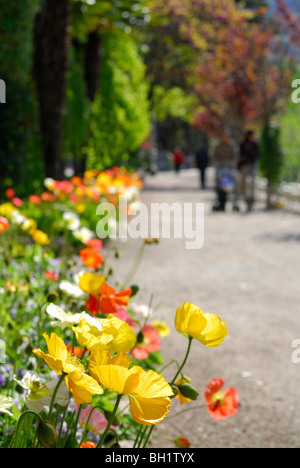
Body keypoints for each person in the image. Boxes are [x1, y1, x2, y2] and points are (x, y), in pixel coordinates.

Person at [212, 133, 238, 211]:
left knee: (233, 185)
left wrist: (231, 163)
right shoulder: (217, 146)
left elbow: (235, 157)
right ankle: (220, 203)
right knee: (219, 185)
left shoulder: (232, 146)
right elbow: (214, 157)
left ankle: (235, 202)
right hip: (220, 168)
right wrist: (217, 163)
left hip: (230, 168)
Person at [238, 130, 260, 212]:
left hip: (253, 165)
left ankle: (252, 199)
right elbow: (240, 155)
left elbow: (258, 155)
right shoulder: (243, 144)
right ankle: (246, 199)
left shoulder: (255, 144)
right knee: (245, 183)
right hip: (245, 166)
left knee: (253, 183)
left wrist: (253, 159)